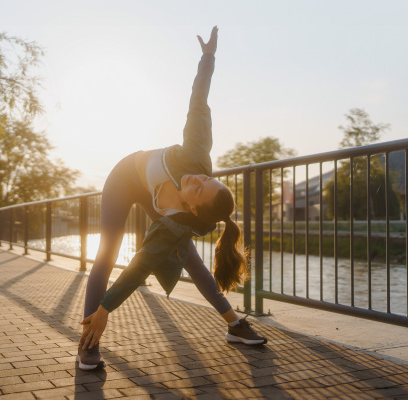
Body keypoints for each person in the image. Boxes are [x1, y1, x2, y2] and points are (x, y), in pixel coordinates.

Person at [77, 26, 267, 371]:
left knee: (191, 259)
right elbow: (199, 99)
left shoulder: (179, 222)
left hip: (156, 198)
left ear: (193, 208)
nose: (195, 178)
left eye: (198, 187)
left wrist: (108, 308)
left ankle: (234, 324)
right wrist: (208, 58)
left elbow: (142, 264)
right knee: (105, 255)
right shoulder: (196, 153)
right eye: (206, 178)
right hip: (124, 177)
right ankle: (88, 343)